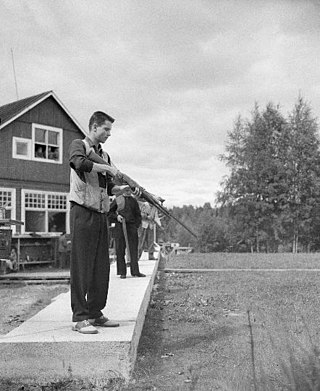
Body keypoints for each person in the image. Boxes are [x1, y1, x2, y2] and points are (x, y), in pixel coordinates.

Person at [69, 111, 129, 334]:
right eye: (106, 129)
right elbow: (77, 162)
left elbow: (107, 186)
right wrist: (106, 168)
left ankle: (95, 313)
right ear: (94, 127)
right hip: (82, 212)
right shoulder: (79, 145)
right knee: (82, 266)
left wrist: (120, 189)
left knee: (101, 267)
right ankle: (79, 318)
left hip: (101, 214)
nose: (109, 134)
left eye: (110, 130)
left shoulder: (104, 154)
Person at [109, 189, 145, 279]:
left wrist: (136, 225)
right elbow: (109, 213)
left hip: (131, 227)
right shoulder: (118, 200)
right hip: (120, 227)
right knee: (120, 250)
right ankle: (122, 272)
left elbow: (138, 215)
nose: (128, 191)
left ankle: (135, 271)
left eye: (129, 190)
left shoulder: (134, 201)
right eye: (126, 189)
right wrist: (117, 217)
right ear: (123, 190)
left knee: (133, 249)